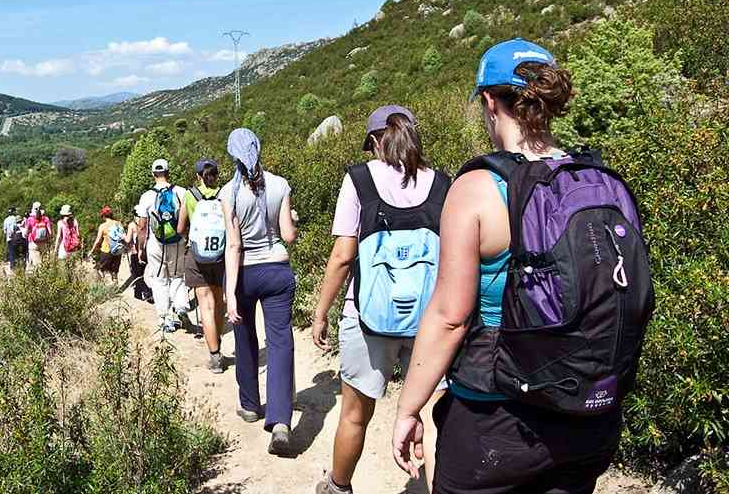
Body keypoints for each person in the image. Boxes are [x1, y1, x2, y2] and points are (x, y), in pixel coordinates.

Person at [392, 39, 649, 494]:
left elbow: (450, 317)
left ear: (490, 102)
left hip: (497, 420)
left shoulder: (477, 187)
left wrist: (408, 409)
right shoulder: (594, 178)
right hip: (588, 415)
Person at [312, 106, 450, 494]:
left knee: (356, 414)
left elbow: (342, 256)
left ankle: (338, 487)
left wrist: (321, 311)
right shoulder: (442, 183)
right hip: (430, 320)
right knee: (438, 417)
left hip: (368, 317)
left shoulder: (358, 180)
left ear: (374, 141)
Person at [221, 128, 298, 456]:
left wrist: (231, 292)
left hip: (245, 275)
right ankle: (280, 421)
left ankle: (251, 405)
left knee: (245, 338)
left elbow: (234, 245)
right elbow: (288, 236)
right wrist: (292, 218)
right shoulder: (280, 185)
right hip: (277, 269)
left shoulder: (228, 193)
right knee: (280, 341)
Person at [178, 158, 227, 374]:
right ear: (216, 175)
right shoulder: (226, 193)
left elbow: (180, 228)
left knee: (205, 305)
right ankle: (218, 342)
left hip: (197, 256)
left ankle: (215, 357)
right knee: (218, 303)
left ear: (198, 176)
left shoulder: (190, 195)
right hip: (222, 255)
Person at [137, 159, 191, 333]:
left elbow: (142, 226)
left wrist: (140, 247)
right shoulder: (181, 192)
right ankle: (181, 305)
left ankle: (165, 318)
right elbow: (188, 218)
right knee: (177, 275)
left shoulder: (147, 196)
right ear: (168, 173)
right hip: (178, 240)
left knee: (159, 280)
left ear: (153, 175)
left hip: (155, 242)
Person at [126, 206, 153, 303]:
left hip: (135, 252)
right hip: (147, 253)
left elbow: (128, 240)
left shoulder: (132, 225)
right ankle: (141, 293)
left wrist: (122, 238)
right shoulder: (147, 224)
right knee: (143, 273)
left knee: (136, 275)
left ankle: (145, 293)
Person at [91, 206, 124, 283]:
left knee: (105, 272)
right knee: (115, 272)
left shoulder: (103, 226)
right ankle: (116, 288)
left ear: (103, 216)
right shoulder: (118, 223)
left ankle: (109, 292)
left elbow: (98, 241)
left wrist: (92, 250)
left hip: (106, 251)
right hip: (118, 250)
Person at [25, 202, 52, 272]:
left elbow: (26, 233)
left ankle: (39, 280)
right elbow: (50, 233)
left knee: (37, 264)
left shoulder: (30, 219)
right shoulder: (46, 219)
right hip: (44, 243)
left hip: (33, 243)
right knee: (45, 263)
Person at [2, 206, 21, 276]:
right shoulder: (16, 218)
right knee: (18, 254)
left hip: (9, 239)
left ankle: (12, 271)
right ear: (14, 212)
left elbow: (5, 231)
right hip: (17, 239)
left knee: (11, 255)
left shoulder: (6, 220)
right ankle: (19, 269)